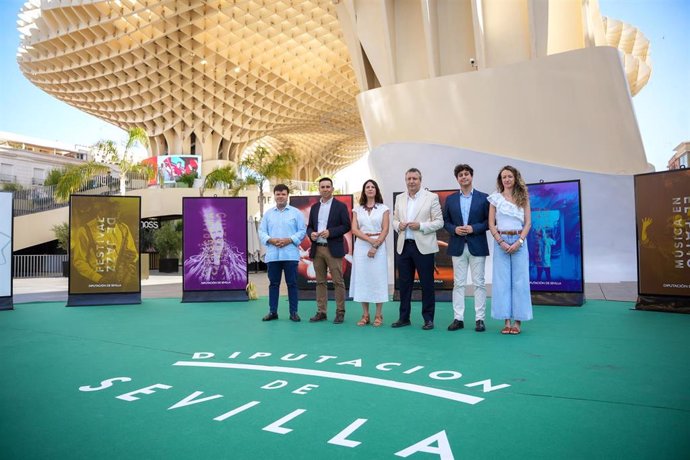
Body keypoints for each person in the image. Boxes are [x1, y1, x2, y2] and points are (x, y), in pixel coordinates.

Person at [392, 168, 443, 330]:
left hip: (424, 247)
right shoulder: (399, 198)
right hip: (404, 246)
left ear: (420, 181)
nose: (411, 181)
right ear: (405, 180)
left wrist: (420, 226)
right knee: (404, 285)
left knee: (427, 284)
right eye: (409, 179)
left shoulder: (432, 197)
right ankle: (403, 318)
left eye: (415, 178)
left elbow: (439, 222)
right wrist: (397, 225)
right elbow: (394, 219)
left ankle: (428, 319)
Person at [442, 164, 490, 332]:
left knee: (479, 283)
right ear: (457, 179)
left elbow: (489, 222)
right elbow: (445, 222)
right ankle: (458, 318)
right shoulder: (450, 199)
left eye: (466, 174)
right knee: (458, 284)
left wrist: (474, 228)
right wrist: (454, 229)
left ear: (472, 176)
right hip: (457, 245)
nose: (464, 177)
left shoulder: (484, 198)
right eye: (461, 175)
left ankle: (480, 319)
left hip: (477, 245)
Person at [488, 165, 533, 335]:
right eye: (503, 177)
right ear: (501, 180)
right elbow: (491, 224)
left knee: (520, 282)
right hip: (501, 242)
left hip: (519, 241)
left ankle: (518, 322)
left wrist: (520, 241)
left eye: (509, 176)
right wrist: (501, 242)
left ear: (515, 178)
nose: (506, 179)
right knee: (502, 282)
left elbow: (528, 223)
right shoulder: (495, 199)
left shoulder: (523, 198)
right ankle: (506, 321)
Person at [258, 184, 307, 322]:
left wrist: (289, 240)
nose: (280, 196)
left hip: (290, 255)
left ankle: (293, 312)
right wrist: (271, 240)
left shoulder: (296, 213)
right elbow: (261, 231)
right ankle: (273, 312)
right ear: (274, 196)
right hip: (273, 255)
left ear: (287, 195)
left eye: (283, 194)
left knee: (292, 284)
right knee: (273, 284)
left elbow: (302, 231)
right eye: (278, 194)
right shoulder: (268, 214)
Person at [307, 177, 352, 323]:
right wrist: (311, 234)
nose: (325, 189)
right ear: (319, 189)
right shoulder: (314, 207)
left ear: (332, 189)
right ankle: (321, 312)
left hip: (333, 249)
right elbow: (309, 227)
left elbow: (346, 226)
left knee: (338, 281)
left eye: (328, 186)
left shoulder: (340, 206)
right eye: (322, 187)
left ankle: (340, 312)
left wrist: (330, 232)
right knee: (320, 282)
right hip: (317, 249)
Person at [72, 199, 139, 289]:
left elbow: (133, 253)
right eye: (111, 213)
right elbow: (79, 261)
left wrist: (132, 259)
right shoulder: (84, 231)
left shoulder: (123, 228)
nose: (115, 217)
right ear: (100, 211)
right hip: (96, 281)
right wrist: (98, 278)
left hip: (122, 278)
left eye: (117, 213)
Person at [350, 179, 390, 327]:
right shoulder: (357, 209)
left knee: (378, 279)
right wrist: (369, 241)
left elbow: (385, 229)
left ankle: (379, 315)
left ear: (376, 190)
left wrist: (376, 244)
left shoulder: (384, 208)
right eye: (367, 187)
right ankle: (365, 315)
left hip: (379, 246)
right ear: (364, 190)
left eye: (373, 186)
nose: (370, 189)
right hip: (361, 246)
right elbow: (354, 229)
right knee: (363, 279)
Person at [185, 205, 246, 285]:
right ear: (209, 233)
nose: (217, 235)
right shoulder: (197, 261)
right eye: (213, 232)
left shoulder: (235, 259)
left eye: (219, 231)